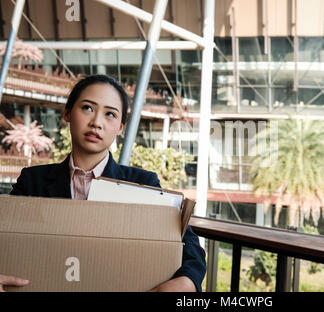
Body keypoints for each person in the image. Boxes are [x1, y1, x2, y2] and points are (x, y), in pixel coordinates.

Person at [1, 74, 206, 292]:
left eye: (110, 114)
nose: (96, 123)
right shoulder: (33, 181)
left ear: (120, 128)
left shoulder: (142, 183)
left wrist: (187, 282)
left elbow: (190, 247)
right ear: (68, 113)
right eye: (88, 108)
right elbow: (7, 242)